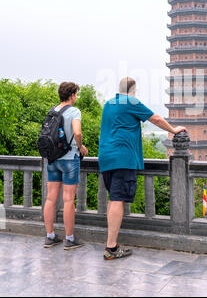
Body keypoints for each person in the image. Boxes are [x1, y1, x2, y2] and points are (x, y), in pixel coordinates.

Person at [98, 77, 186, 260]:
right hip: (122, 157)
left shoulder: (109, 103)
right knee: (117, 199)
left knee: (113, 199)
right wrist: (173, 130)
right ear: (133, 90)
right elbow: (155, 118)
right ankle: (111, 247)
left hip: (106, 157)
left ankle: (111, 244)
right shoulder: (130, 101)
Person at [43, 82, 88, 250]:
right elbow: (77, 132)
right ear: (71, 95)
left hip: (53, 159)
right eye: (76, 94)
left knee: (50, 198)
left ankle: (50, 236)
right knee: (68, 200)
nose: (76, 97)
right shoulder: (74, 111)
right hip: (69, 159)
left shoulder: (52, 110)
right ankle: (69, 239)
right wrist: (81, 146)